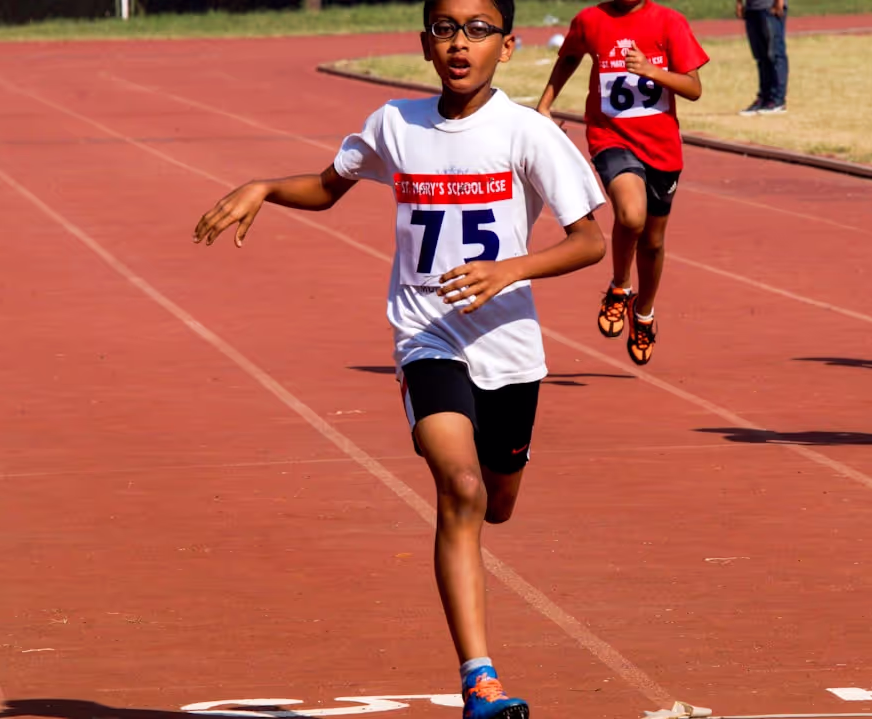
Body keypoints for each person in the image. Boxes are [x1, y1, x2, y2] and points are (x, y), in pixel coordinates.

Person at [191, 0, 607, 714]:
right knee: (461, 488)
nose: (459, 43)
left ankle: (499, 485)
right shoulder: (396, 125)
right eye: (445, 28)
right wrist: (265, 186)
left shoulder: (527, 134)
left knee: (498, 499)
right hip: (427, 336)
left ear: (506, 47)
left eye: (478, 30)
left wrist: (510, 269)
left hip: (509, 349)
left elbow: (590, 240)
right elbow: (329, 187)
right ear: (424, 42)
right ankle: (480, 678)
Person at [536, 0, 708, 366]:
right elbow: (569, 57)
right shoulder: (590, 21)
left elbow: (693, 88)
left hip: (661, 148)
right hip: (611, 136)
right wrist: (544, 106)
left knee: (653, 241)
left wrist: (651, 70)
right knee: (631, 216)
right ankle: (619, 285)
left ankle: (643, 312)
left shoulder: (669, 23)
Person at [735, 0, 788, 116]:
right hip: (752, 8)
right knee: (761, 56)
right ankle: (764, 97)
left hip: (769, 7)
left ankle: (777, 100)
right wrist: (739, 3)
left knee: (774, 54)